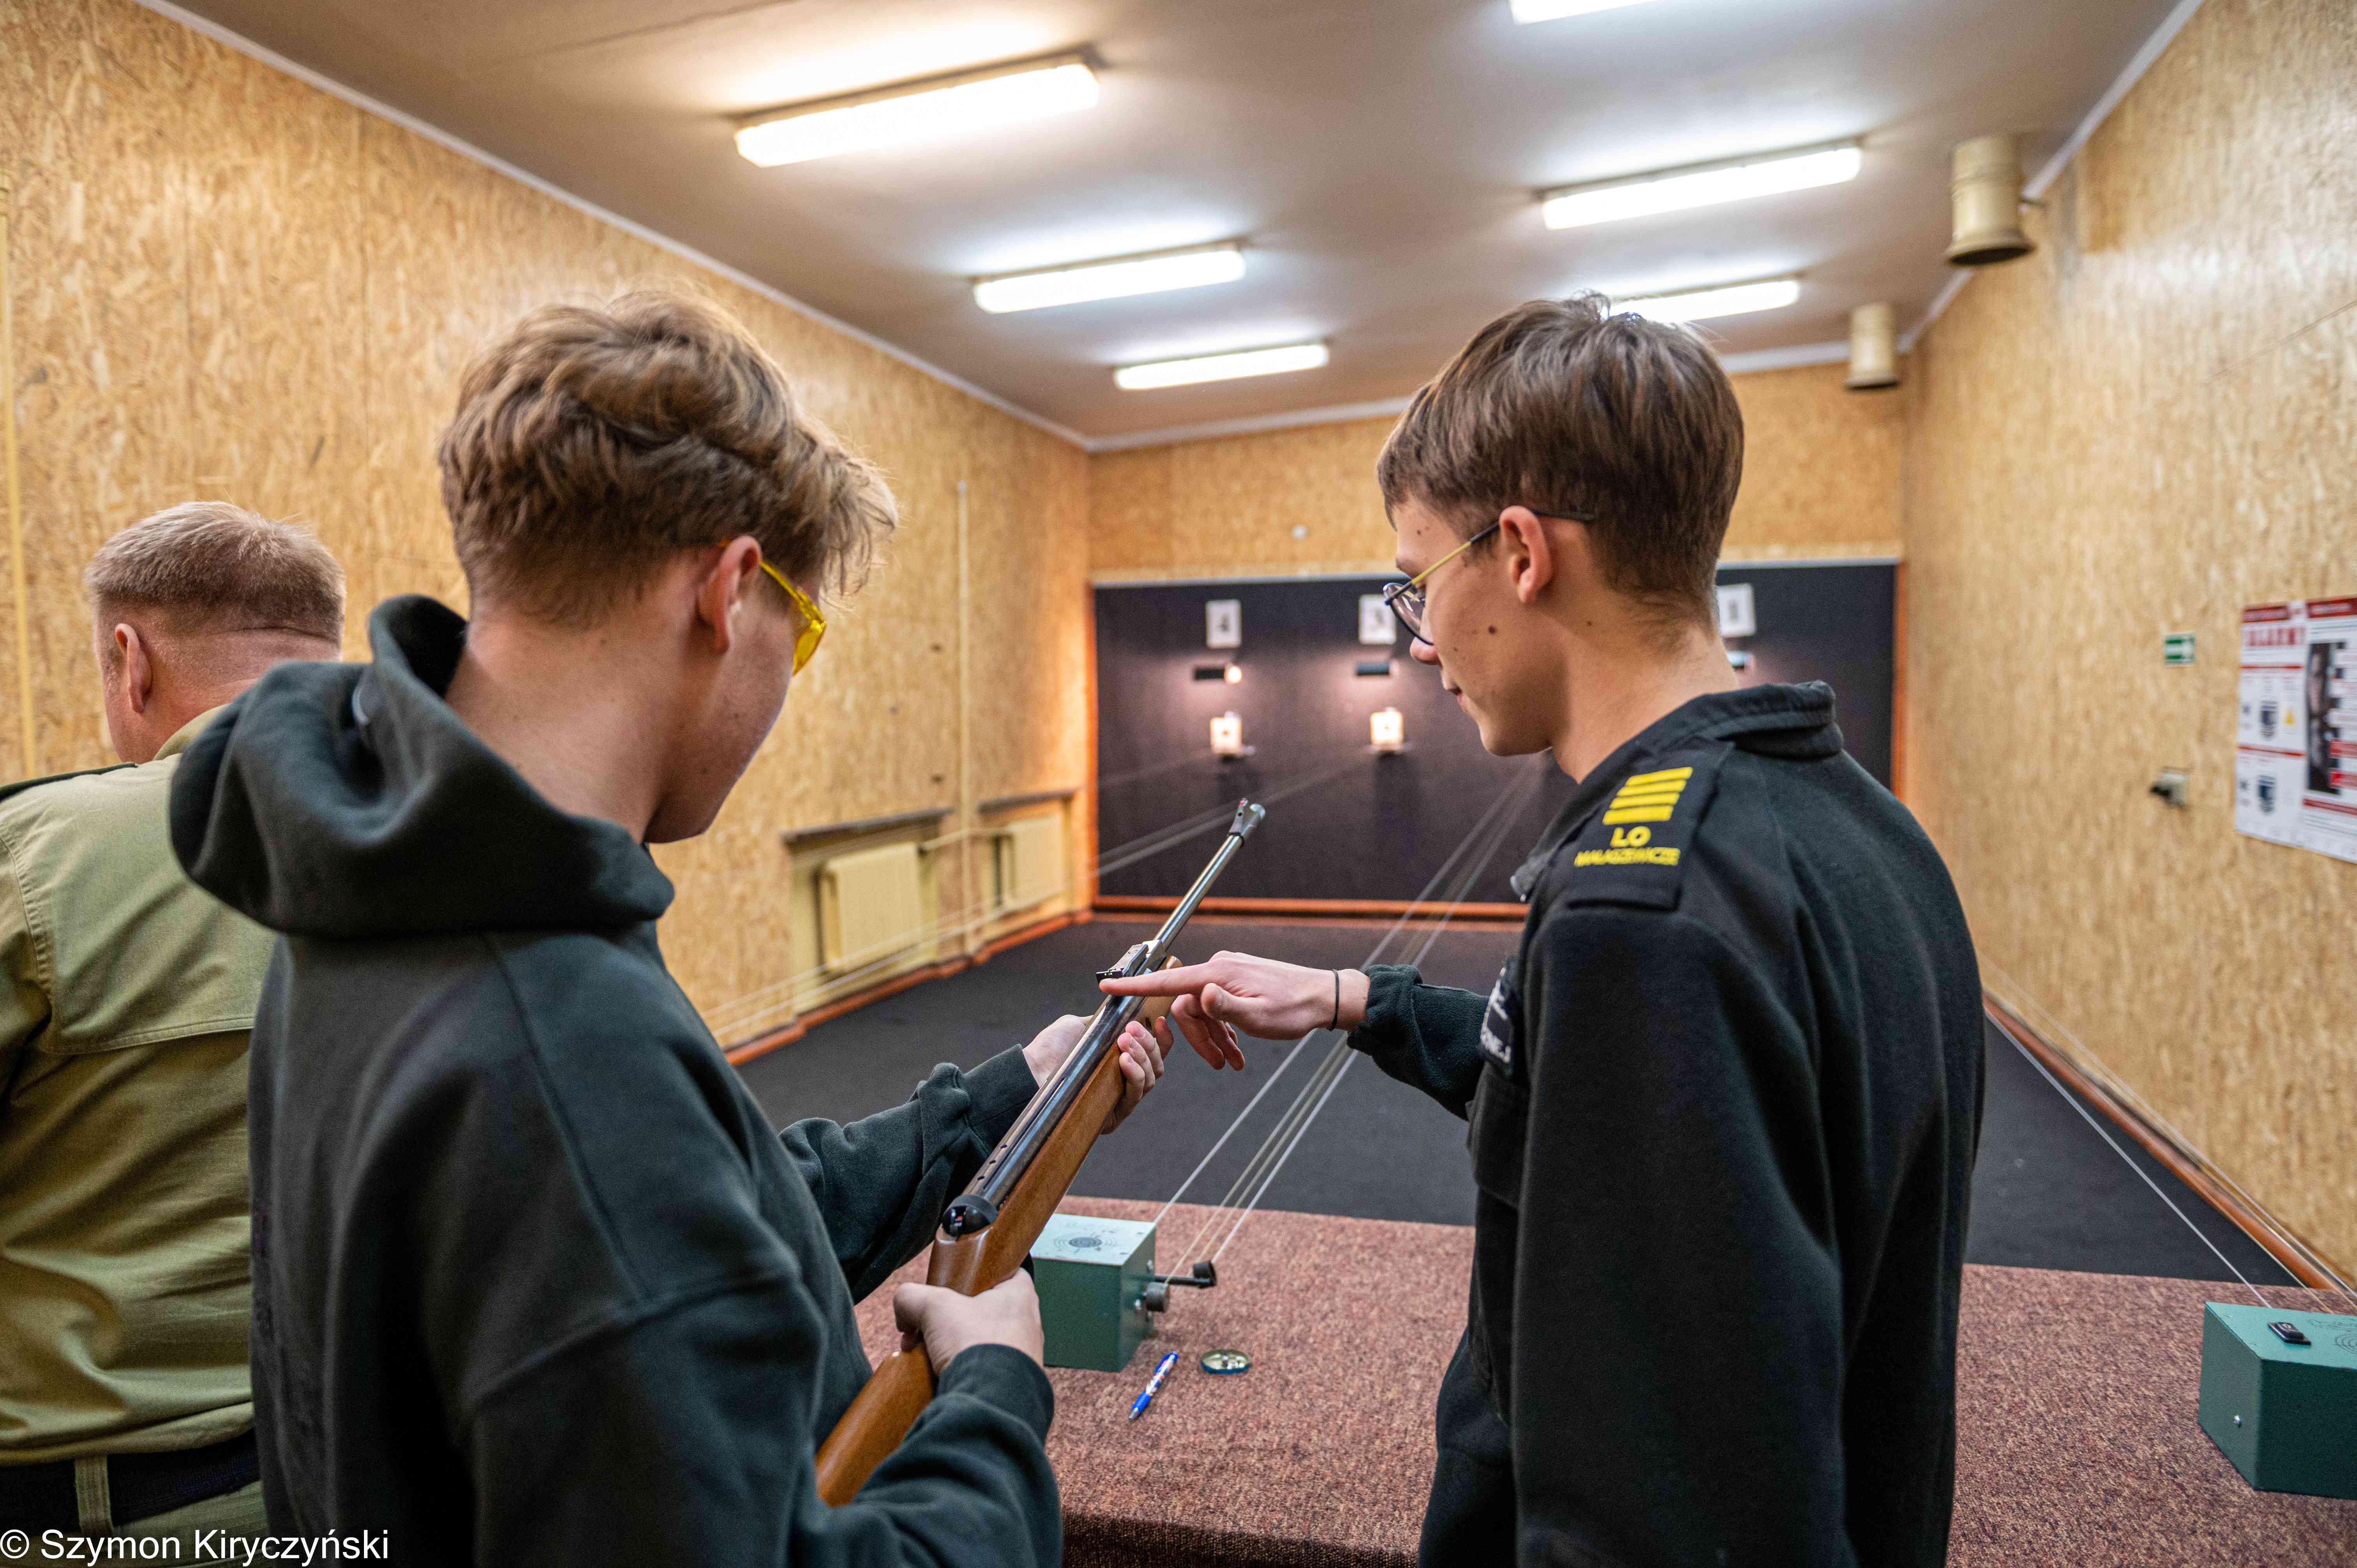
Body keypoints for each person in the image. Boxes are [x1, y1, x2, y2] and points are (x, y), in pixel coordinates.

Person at [169, 288, 1173, 1565]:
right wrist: (992, 1390)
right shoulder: (562, 1041)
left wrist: (1009, 1095)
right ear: (730, 589)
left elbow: (704, 1226)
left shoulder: (373, 906)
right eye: (800, 632)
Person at [1108, 295, 1984, 1566]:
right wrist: (1354, 998)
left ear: (1519, 553)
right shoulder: (1856, 828)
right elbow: (1624, 1105)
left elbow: (1656, 1513)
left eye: (1418, 584)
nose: (1421, 643)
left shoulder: (1645, 916)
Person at [0, 503, 345, 1542]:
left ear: (131, 661)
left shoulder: (38, 861)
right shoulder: (459, 836)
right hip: (373, 1472)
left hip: (99, 1515)